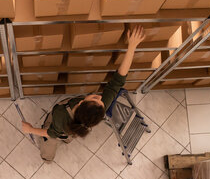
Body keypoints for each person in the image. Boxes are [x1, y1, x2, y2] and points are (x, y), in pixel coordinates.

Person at [21, 25, 146, 161]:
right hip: (71, 131)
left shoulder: (60, 115)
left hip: (59, 130)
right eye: (100, 100)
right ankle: (67, 139)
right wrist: (132, 47)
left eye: (94, 98)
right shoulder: (98, 110)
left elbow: (51, 133)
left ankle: (47, 158)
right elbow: (118, 81)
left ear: (81, 102)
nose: (99, 96)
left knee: (50, 141)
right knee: (67, 136)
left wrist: (30, 129)